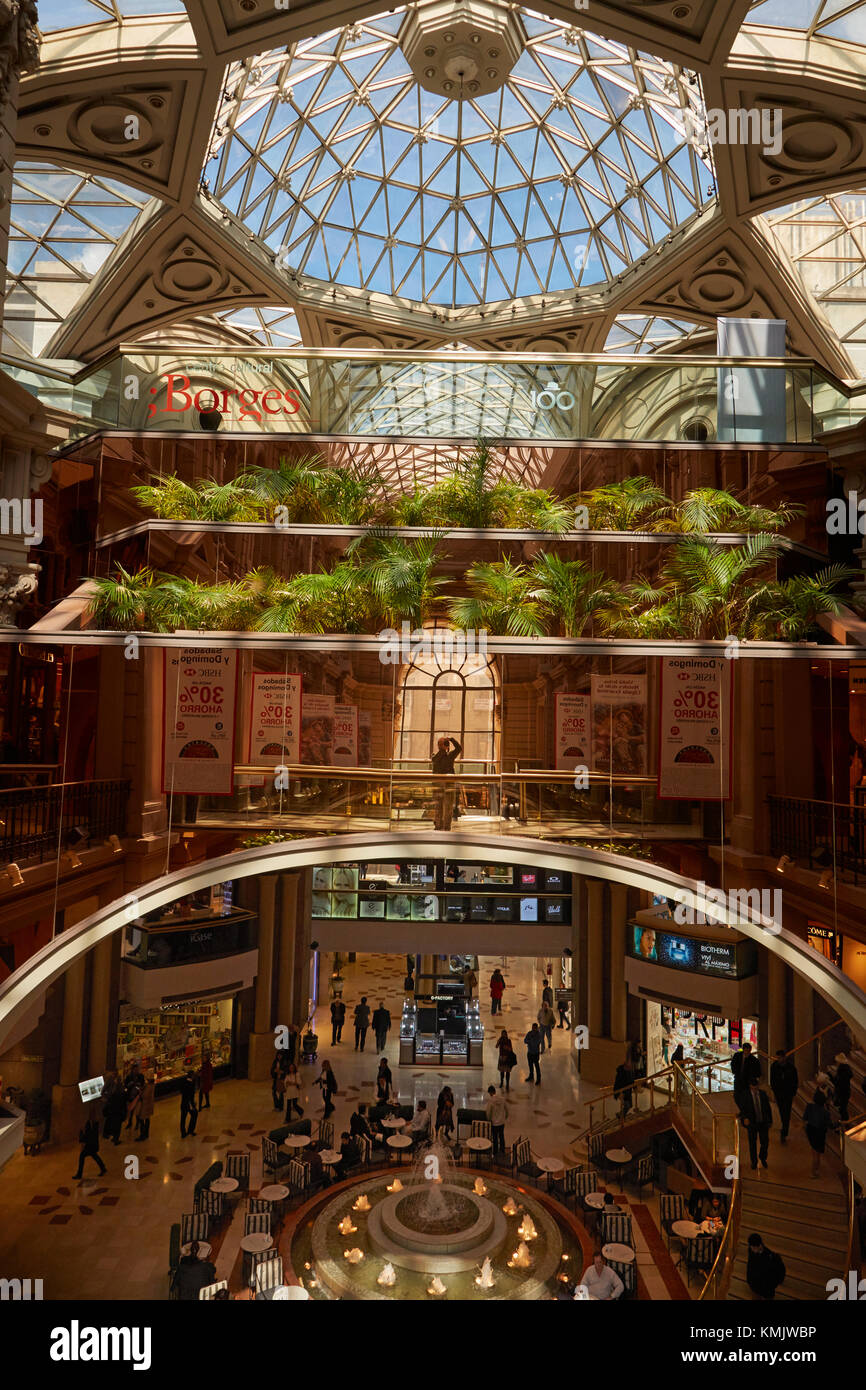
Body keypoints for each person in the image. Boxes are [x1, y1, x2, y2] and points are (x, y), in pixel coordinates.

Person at [740, 1078, 772, 1170]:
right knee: (752, 1143)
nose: (755, 1089)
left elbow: (767, 1108)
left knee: (765, 1142)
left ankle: (763, 1158)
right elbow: (743, 1109)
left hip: (763, 1122)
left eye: (756, 1087)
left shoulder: (762, 1094)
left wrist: (770, 1120)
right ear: (750, 1086)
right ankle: (754, 1162)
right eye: (753, 1088)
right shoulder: (745, 1095)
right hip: (752, 1123)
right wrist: (744, 1118)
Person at [432, 735, 462, 829]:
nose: (441, 745)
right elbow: (459, 748)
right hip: (447, 783)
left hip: (440, 783)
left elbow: (459, 748)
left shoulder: (437, 756)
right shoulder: (446, 756)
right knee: (445, 806)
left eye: (441, 744)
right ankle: (444, 825)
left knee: (441, 806)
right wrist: (450, 741)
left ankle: (441, 825)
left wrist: (449, 741)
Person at [769, 1049, 799, 1143]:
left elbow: (795, 1081)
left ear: (784, 1057)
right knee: (782, 1111)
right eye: (777, 1058)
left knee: (787, 1112)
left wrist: (793, 1093)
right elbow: (773, 1081)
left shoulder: (791, 1068)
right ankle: (784, 1127)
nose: (779, 1059)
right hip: (779, 1093)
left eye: (780, 1058)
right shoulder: (774, 1066)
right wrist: (774, 1091)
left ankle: (784, 1131)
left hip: (788, 1093)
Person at [746, 1232, 785, 1300]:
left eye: (752, 1247)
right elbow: (750, 1267)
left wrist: (773, 1285)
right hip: (755, 1287)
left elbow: (780, 1271)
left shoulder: (770, 1257)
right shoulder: (751, 1252)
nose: (751, 1249)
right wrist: (750, 1281)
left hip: (767, 1290)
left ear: (759, 1246)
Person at [803, 1089, 833, 1176]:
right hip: (820, 1133)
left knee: (814, 1152)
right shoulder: (825, 1112)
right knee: (817, 1153)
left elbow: (805, 1118)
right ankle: (814, 1171)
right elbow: (830, 1125)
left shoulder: (809, 1107)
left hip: (810, 1130)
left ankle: (815, 1170)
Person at [74, 1113, 106, 1179]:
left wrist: (82, 1137)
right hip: (92, 1145)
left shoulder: (91, 1124)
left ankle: (79, 1174)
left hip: (90, 1145)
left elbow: (89, 1135)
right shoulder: (93, 1123)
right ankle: (103, 1168)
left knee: (82, 1156)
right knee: (94, 1156)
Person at [830, 1054, 853, 1122]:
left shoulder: (842, 1072)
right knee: (843, 1107)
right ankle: (845, 1121)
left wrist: (830, 1076)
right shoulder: (846, 1069)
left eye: (837, 1061)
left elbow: (837, 1083)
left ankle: (845, 1122)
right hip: (846, 1091)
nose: (836, 1063)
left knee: (843, 1109)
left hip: (842, 1092)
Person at [486, 1084, 507, 1156]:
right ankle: (502, 1150)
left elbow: (488, 1113)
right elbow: (507, 1110)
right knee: (501, 1136)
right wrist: (504, 1118)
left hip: (494, 1123)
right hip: (502, 1122)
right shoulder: (502, 1099)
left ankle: (495, 1152)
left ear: (490, 1092)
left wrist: (489, 1119)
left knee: (495, 1138)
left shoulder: (491, 1101)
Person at [179, 1069, 198, 1138]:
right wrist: (193, 1105)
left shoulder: (184, 1082)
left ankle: (183, 1133)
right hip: (189, 1104)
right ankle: (190, 1130)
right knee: (194, 1114)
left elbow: (181, 1091)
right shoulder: (191, 1084)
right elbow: (190, 1096)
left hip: (183, 1103)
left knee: (183, 1118)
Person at [136, 1073, 155, 1141]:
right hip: (148, 1105)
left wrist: (140, 1092)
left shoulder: (148, 1086)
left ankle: (142, 1135)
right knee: (147, 1119)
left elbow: (144, 1096)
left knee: (142, 1120)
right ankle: (146, 1133)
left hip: (145, 1105)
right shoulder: (151, 1085)